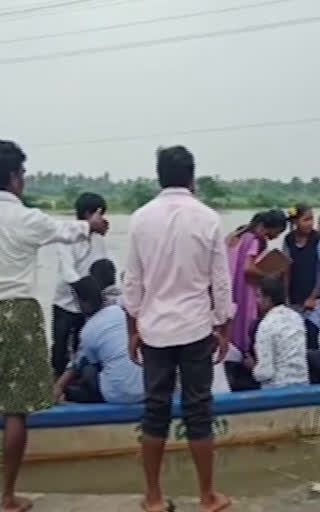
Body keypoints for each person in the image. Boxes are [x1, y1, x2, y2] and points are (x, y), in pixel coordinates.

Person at [0, 140, 108, 512]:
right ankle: (9, 495)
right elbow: (65, 230)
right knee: (16, 411)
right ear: (16, 178)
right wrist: (91, 226)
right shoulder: (27, 218)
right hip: (21, 315)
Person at [123, 146, 233, 512]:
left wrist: (132, 328)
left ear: (159, 176)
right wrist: (225, 325)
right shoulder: (207, 219)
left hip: (155, 329)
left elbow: (132, 283)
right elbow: (221, 282)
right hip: (196, 326)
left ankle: (153, 496)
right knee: (199, 410)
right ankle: (207, 496)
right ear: (191, 177)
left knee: (155, 410)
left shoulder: (140, 219)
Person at [54, 276, 143, 404]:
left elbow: (83, 363)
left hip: (117, 396)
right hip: (144, 390)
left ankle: (69, 394)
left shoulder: (88, 332)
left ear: (81, 302)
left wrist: (60, 386)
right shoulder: (120, 312)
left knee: (88, 369)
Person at [52, 192, 110, 377]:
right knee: (60, 345)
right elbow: (68, 271)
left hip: (89, 304)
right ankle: (55, 377)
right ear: (88, 214)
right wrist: (84, 289)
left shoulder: (98, 239)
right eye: (100, 214)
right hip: (65, 302)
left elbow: (103, 267)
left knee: (82, 345)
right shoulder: (66, 235)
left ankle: (75, 381)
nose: (104, 220)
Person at [226, 209, 287, 359]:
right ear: (268, 227)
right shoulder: (255, 240)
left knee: (233, 323)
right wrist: (269, 276)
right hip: (245, 289)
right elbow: (248, 267)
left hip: (230, 286)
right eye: (277, 231)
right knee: (247, 322)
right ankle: (245, 356)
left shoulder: (238, 234)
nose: (277, 236)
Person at [283, 204, 320, 349]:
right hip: (294, 298)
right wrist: (286, 298)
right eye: (306, 219)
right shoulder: (288, 240)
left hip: (314, 300)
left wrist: (313, 297)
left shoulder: (318, 240)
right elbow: (286, 269)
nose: (310, 223)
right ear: (295, 222)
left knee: (313, 337)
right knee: (295, 338)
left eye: (312, 219)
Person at [251, 279, 309, 389]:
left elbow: (265, 373)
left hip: (277, 389)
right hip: (303, 384)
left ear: (268, 299)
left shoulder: (266, 325)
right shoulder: (296, 317)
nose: (257, 301)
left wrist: (252, 367)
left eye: (259, 296)